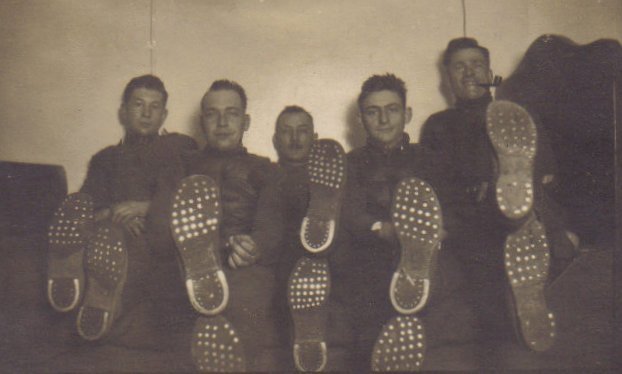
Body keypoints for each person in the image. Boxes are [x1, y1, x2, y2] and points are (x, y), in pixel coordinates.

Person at [419, 37, 578, 354]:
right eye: (460, 66)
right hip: (473, 222)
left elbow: (547, 176)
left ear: (490, 71)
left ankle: (522, 221)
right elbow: (437, 188)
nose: (469, 72)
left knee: (531, 205)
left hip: (526, 210)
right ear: (447, 76)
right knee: (494, 238)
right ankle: (525, 276)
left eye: (476, 64)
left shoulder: (519, 118)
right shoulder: (439, 126)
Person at [47, 74, 197, 345]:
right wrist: (116, 214)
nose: (147, 113)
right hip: (109, 235)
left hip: (156, 238)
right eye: (139, 104)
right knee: (95, 227)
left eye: (154, 107)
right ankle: (73, 278)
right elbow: (85, 210)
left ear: (164, 115)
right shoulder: (105, 159)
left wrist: (147, 208)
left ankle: (97, 304)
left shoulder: (179, 148)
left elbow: (191, 200)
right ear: (124, 111)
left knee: (133, 249)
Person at [342, 73, 475, 371]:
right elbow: (348, 214)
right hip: (374, 257)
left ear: (407, 114)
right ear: (362, 119)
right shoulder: (349, 164)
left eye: (392, 109)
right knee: (371, 300)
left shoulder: (433, 160)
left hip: (431, 257)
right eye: (373, 112)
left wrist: (441, 230)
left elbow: (458, 210)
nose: (383, 119)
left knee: (442, 286)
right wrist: (380, 229)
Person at [165, 80, 281, 371]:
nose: (222, 122)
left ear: (246, 121)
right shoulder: (181, 165)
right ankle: (202, 265)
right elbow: (158, 224)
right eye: (212, 113)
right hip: (187, 261)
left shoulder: (264, 169)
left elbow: (272, 225)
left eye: (231, 113)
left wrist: (255, 247)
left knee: (248, 290)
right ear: (202, 121)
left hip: (240, 261)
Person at [249, 105, 355, 371]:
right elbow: (266, 233)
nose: (295, 139)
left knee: (338, 237)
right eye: (286, 132)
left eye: (302, 131)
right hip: (290, 259)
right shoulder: (268, 176)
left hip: (336, 256)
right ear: (275, 140)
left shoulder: (338, 174)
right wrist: (255, 246)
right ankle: (309, 331)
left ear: (315, 138)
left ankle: (320, 234)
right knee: (293, 257)